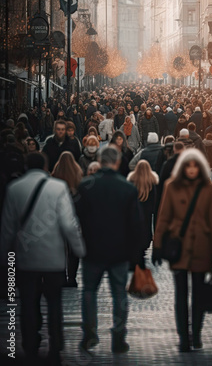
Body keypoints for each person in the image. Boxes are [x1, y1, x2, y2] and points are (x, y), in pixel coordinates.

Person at [0, 152, 85, 364]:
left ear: (26, 165)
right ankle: (56, 344)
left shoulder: (14, 189)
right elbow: (68, 224)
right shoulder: (58, 188)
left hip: (25, 258)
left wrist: (5, 259)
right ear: (46, 165)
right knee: (54, 303)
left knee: (29, 302)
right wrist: (79, 249)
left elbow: (7, 229)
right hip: (53, 259)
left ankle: (30, 343)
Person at [153, 148, 212, 352]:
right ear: (183, 167)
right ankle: (184, 336)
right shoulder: (171, 187)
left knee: (199, 294)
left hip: (202, 246)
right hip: (179, 246)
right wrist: (157, 246)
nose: (192, 169)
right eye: (188, 165)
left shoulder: (209, 189)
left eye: (195, 165)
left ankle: (197, 334)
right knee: (181, 295)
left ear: (199, 167)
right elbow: (164, 217)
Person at [76, 146, 143, 354]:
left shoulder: (86, 185)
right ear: (117, 162)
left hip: (92, 250)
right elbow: (137, 225)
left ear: (99, 160)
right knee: (119, 293)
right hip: (119, 250)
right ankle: (119, 336)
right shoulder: (127, 188)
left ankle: (89, 333)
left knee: (89, 291)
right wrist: (136, 256)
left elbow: (76, 218)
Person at [52, 151, 84, 287]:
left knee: (60, 248)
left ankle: (61, 276)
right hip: (74, 214)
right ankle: (72, 277)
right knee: (72, 249)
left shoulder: (55, 175)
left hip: (58, 215)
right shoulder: (78, 174)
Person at [127, 160, 159, 268]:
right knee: (144, 237)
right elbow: (155, 202)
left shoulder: (131, 183)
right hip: (147, 217)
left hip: (134, 217)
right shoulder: (152, 185)